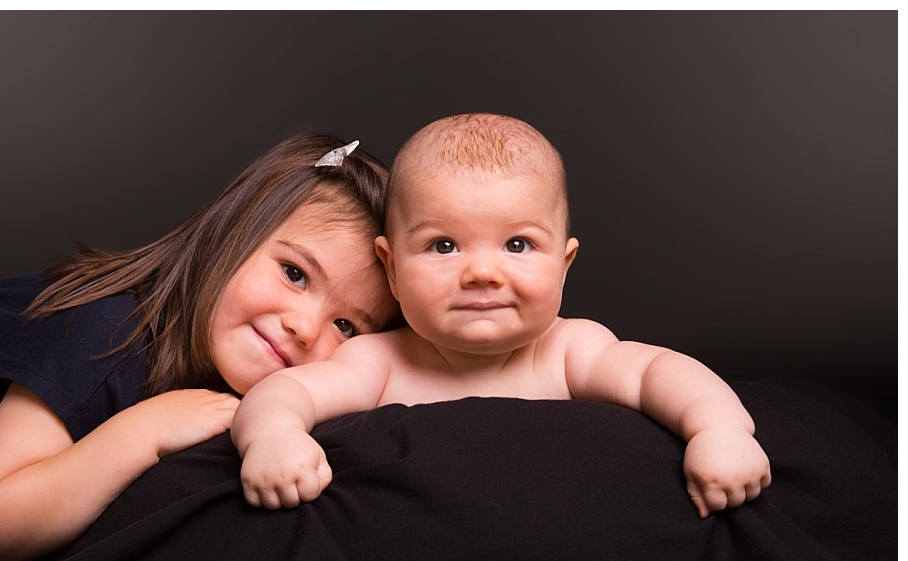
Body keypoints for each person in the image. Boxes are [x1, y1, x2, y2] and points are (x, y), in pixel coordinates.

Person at [232, 113, 772, 518]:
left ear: (564, 266)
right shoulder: (376, 361)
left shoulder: (571, 351)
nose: (482, 273)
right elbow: (287, 393)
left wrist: (718, 429)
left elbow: (660, 371)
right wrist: (274, 436)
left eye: (518, 244)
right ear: (391, 269)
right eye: (444, 246)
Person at [0, 134, 400, 561]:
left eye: (345, 325)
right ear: (230, 236)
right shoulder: (105, 334)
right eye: (294, 273)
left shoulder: (260, 390)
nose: (304, 326)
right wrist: (148, 429)